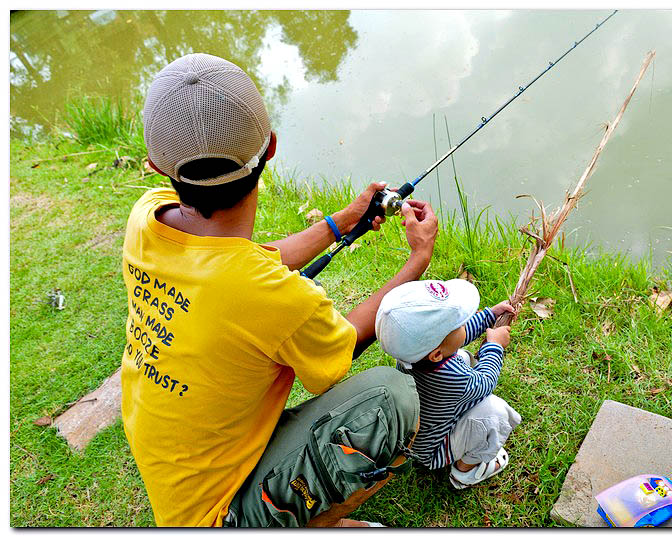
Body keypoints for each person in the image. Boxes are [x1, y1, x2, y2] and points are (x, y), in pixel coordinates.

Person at [120, 53, 439, 527]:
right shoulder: (270, 295)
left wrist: (344, 221)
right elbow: (346, 341)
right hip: (216, 517)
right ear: (270, 147)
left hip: (180, 483)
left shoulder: (147, 217)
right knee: (393, 400)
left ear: (155, 165)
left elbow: (245, 262)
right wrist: (417, 260)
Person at [374, 279, 521, 489]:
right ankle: (465, 471)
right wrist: (494, 346)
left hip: (414, 432)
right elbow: (485, 382)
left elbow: (452, 341)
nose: (464, 324)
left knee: (460, 355)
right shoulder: (453, 378)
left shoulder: (411, 351)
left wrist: (489, 316)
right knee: (494, 412)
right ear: (436, 354)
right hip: (432, 450)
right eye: (460, 324)